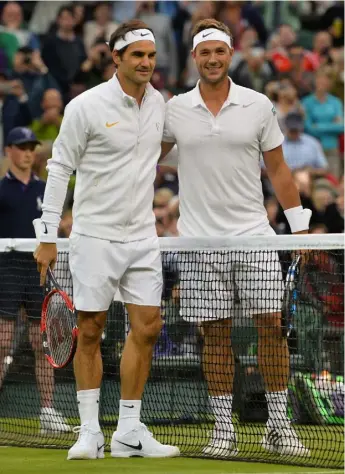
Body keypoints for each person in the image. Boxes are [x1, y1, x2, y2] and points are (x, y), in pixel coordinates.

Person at [160, 18, 311, 458]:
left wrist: (298, 226)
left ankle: (279, 426)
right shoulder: (174, 110)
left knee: (272, 329)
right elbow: (148, 155)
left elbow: (279, 170)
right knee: (216, 335)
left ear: (230, 55)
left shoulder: (258, 104)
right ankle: (223, 429)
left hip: (254, 237)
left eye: (219, 52)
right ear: (194, 58)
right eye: (204, 52)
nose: (212, 59)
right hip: (199, 243)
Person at [33, 19, 179, 460]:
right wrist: (47, 234)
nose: (146, 63)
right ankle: (90, 432)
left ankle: (130, 432)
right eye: (137, 55)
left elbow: (160, 147)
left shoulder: (160, 105)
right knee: (91, 330)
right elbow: (59, 167)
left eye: (151, 56)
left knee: (148, 327)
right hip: (94, 235)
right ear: (116, 58)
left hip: (142, 237)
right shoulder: (85, 106)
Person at [0, 126, 70, 434]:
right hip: (5, 271)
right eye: (21, 146)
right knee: (2, 343)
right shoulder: (1, 189)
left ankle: (47, 412)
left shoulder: (46, 190)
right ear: (9, 152)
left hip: (37, 272)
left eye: (31, 147)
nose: (28, 152)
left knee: (43, 344)